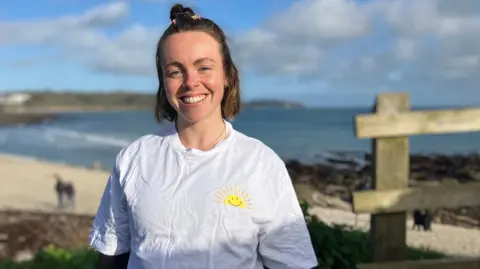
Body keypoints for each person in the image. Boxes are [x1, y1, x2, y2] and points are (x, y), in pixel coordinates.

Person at [89, 4, 318, 269]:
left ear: (228, 75)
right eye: (175, 71)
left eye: (204, 67)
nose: (190, 82)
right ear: (164, 83)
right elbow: (112, 257)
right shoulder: (134, 159)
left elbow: (293, 263)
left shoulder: (261, 164)